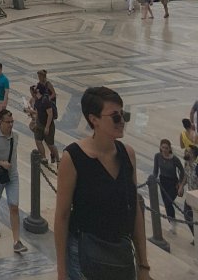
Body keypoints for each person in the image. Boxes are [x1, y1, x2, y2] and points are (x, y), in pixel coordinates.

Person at [54, 86, 149, 280]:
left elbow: (134, 210)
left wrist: (143, 265)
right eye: (115, 116)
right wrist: (61, 272)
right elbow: (62, 216)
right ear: (94, 119)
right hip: (84, 257)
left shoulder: (128, 154)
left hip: (120, 256)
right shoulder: (73, 158)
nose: (122, 121)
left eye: (123, 115)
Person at [0, 109, 28, 254]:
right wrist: (0, 163)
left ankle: (16, 241)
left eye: (12, 122)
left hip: (12, 175)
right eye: (8, 122)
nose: (10, 125)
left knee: (14, 206)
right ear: (0, 121)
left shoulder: (15, 136)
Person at [152, 138, 185, 234]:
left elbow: (182, 171)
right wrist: (153, 179)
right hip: (163, 182)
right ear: (160, 147)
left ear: (170, 148)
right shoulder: (157, 156)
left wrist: (180, 183)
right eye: (163, 147)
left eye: (166, 148)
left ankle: (173, 222)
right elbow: (155, 170)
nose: (164, 150)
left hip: (173, 183)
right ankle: (172, 221)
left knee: (168, 201)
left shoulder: (174, 159)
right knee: (166, 203)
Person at [33, 85, 59, 165]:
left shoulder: (45, 101)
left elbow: (50, 114)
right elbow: (37, 113)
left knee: (50, 144)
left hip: (48, 125)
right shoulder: (37, 100)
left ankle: (58, 160)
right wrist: (36, 122)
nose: (34, 89)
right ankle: (44, 158)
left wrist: (47, 127)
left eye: (36, 88)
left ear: (38, 90)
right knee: (38, 141)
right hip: (39, 124)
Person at [182, 145, 197, 244]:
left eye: (188, 152)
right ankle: (195, 236)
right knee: (187, 216)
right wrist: (181, 186)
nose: (185, 153)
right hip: (189, 196)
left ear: (193, 155)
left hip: (196, 198)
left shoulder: (197, 168)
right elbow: (186, 176)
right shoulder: (186, 164)